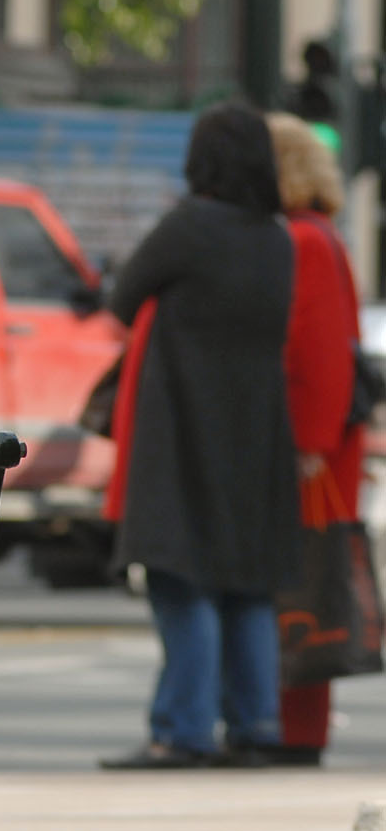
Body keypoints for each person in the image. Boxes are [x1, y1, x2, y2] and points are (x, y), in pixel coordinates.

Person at [100, 102, 298, 770]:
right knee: (247, 584)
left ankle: (182, 729)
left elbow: (122, 299)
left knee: (179, 579)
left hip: (183, 426)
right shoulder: (277, 238)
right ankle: (256, 722)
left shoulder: (189, 228)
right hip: (257, 432)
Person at [267, 111, 365, 766]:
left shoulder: (302, 240)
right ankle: (294, 726)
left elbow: (318, 352)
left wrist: (306, 442)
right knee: (308, 578)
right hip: (323, 439)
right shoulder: (318, 234)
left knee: (303, 583)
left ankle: (295, 730)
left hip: (312, 447)